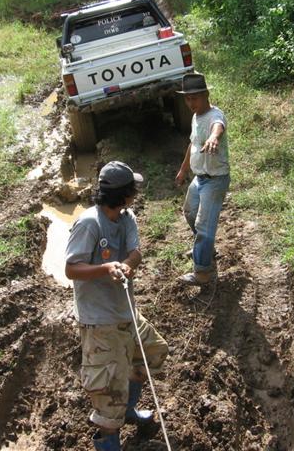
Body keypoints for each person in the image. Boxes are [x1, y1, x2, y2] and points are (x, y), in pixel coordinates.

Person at [65, 161, 168, 451]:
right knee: (108, 398)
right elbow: (71, 269)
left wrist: (127, 264)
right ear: (123, 195)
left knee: (151, 353)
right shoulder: (89, 223)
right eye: (133, 189)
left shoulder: (126, 217)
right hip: (100, 323)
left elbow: (136, 252)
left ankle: (128, 410)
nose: (136, 194)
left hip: (127, 313)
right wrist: (105, 268)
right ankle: (112, 430)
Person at [175, 73, 230, 285]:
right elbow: (193, 144)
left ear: (206, 94)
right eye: (187, 99)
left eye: (195, 98)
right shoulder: (195, 116)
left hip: (215, 179)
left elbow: (218, 126)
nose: (191, 103)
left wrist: (214, 137)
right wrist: (183, 169)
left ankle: (203, 273)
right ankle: (206, 250)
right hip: (199, 178)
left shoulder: (215, 115)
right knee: (189, 212)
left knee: (204, 227)